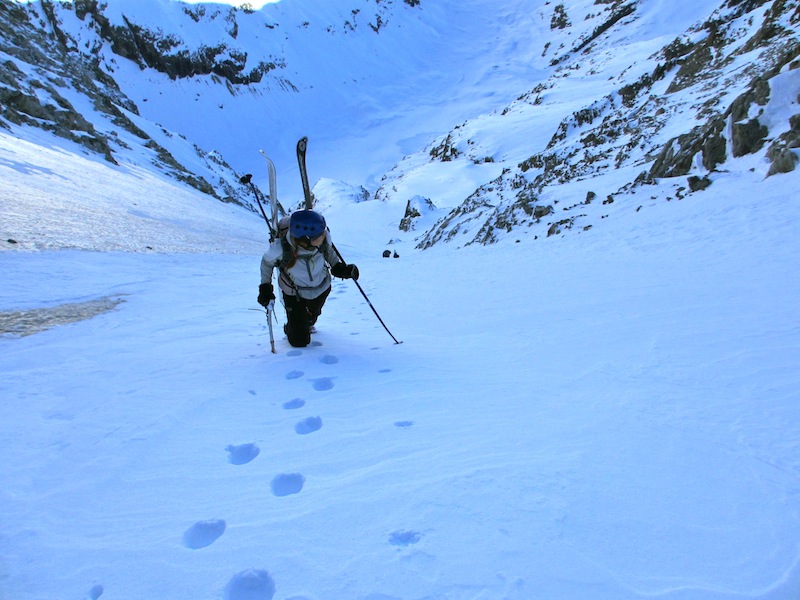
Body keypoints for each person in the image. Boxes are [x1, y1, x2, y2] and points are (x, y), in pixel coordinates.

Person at [257, 209, 359, 347]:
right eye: (320, 235)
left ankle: (305, 323)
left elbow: (330, 253)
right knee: (299, 342)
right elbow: (266, 263)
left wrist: (340, 269)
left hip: (321, 288)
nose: (324, 235)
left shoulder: (322, 239)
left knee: (311, 319)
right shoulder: (281, 248)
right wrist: (265, 287)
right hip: (293, 293)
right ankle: (292, 327)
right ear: (306, 238)